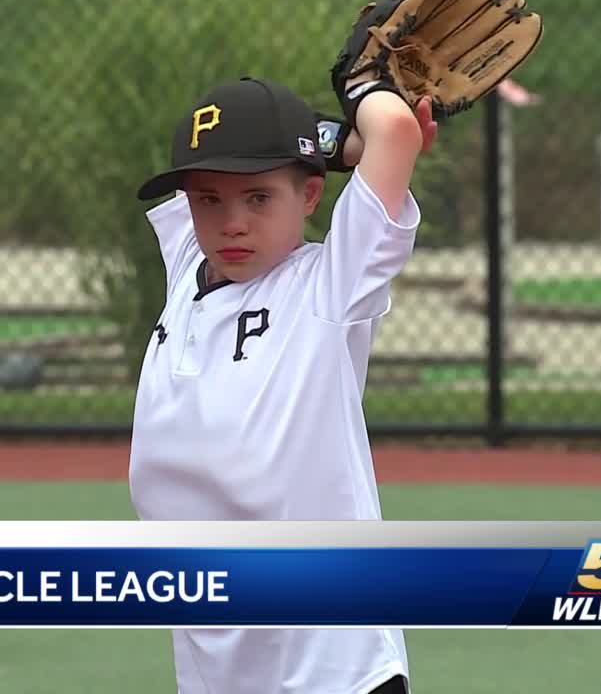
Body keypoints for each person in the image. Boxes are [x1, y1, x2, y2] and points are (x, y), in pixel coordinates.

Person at [127, 70, 437, 694]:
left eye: (259, 198)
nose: (232, 222)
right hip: (219, 666)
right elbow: (240, 182)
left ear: (311, 197)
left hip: (332, 666)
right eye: (209, 200)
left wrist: (364, 85)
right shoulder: (191, 260)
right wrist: (321, 143)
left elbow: (397, 132)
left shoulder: (329, 287)